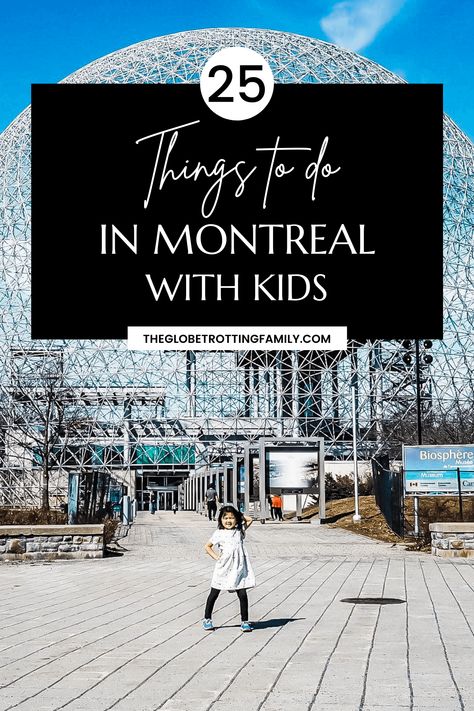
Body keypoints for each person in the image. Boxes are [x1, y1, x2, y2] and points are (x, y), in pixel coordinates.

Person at [202, 505, 255, 632]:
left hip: (238, 568)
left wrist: (239, 515)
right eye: (225, 518)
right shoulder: (219, 533)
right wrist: (216, 557)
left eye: (231, 518)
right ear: (220, 520)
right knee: (214, 593)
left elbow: (250, 520)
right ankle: (207, 619)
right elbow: (207, 547)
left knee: (242, 594)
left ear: (236, 519)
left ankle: (245, 621)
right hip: (223, 567)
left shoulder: (239, 531)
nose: (228, 520)